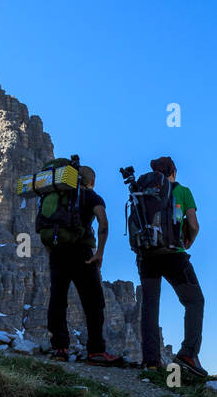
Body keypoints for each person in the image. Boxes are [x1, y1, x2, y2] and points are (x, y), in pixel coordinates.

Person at [46, 165, 124, 366]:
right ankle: (96, 352)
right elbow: (103, 223)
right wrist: (100, 253)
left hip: (57, 253)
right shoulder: (92, 197)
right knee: (94, 303)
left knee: (58, 299)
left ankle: (60, 349)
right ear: (91, 181)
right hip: (82, 254)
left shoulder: (58, 196)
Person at [138, 156, 206, 376]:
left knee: (150, 305)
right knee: (194, 301)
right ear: (173, 172)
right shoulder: (182, 191)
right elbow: (193, 225)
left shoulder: (141, 189)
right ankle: (188, 353)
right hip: (174, 254)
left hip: (147, 254)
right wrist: (188, 241)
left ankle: (150, 361)